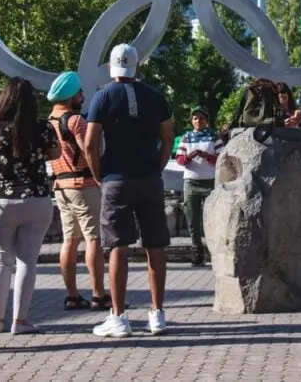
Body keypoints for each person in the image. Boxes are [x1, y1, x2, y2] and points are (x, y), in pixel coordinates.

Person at [85, 43, 174, 338]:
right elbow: (168, 137)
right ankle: (157, 315)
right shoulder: (156, 96)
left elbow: (89, 142)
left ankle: (119, 317)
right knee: (155, 246)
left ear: (111, 67)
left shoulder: (102, 97)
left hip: (116, 178)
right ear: (137, 68)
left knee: (117, 248)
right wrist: (158, 166)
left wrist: (99, 174)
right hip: (149, 177)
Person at [0, 77, 61, 334]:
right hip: (36, 197)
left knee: (1, 261)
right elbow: (56, 154)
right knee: (27, 261)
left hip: (2, 199)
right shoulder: (42, 128)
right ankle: (20, 321)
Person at [47, 71, 110, 310]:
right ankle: (98, 294)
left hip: (60, 187)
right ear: (72, 95)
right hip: (83, 186)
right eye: (80, 92)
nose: (83, 95)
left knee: (69, 240)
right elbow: (89, 150)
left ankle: (72, 295)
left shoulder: (50, 121)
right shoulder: (75, 121)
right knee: (93, 238)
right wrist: (99, 176)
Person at [174, 106, 222, 266]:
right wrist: (189, 156)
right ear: (191, 121)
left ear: (206, 120)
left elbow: (221, 159)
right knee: (192, 218)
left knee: (213, 218)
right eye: (195, 118)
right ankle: (197, 251)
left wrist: (207, 156)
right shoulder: (186, 137)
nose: (198, 121)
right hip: (191, 182)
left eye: (201, 118)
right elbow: (180, 159)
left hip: (210, 182)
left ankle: (215, 251)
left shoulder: (214, 136)